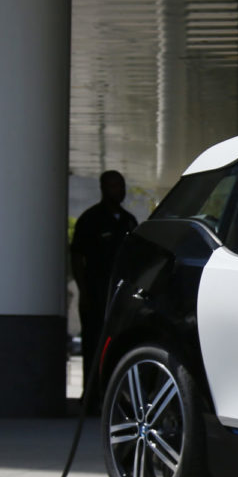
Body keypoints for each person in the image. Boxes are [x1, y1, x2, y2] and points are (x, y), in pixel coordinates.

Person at [71, 170, 138, 410]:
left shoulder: (129, 222)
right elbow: (77, 257)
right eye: (113, 186)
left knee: (119, 345)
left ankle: (115, 397)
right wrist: (84, 292)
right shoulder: (90, 220)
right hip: (96, 295)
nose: (118, 191)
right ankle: (90, 398)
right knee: (94, 344)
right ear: (102, 188)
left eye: (121, 186)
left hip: (121, 297)